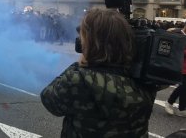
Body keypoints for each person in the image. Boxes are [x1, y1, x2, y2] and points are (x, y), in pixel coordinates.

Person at [40, 9, 157, 137]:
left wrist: (81, 63)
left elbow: (49, 100)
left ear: (92, 42)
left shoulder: (79, 79)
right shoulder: (145, 79)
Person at [165, 24, 186, 117]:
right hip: (180, 65)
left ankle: (182, 108)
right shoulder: (177, 34)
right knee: (183, 86)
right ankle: (169, 102)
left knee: (184, 87)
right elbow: (176, 50)